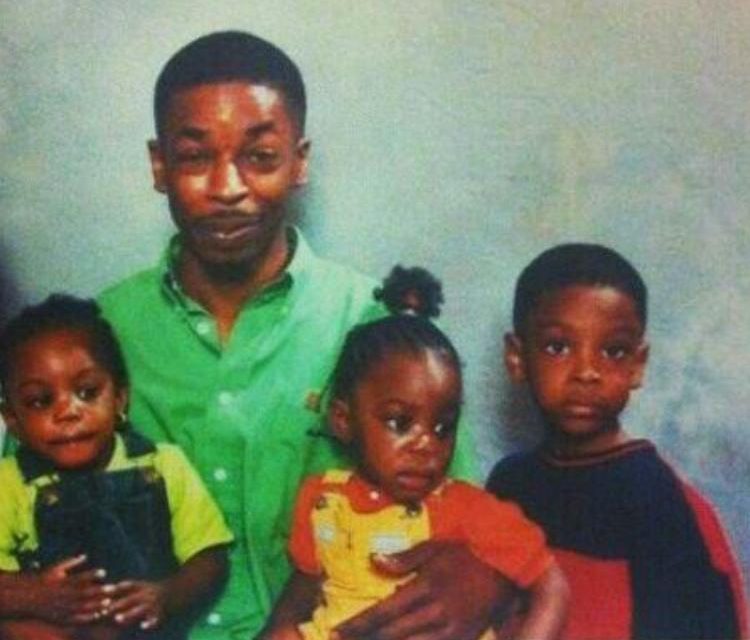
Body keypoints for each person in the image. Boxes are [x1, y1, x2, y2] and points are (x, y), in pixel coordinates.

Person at [97, 31, 504, 639]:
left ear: (300, 160)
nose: (227, 187)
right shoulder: (96, 337)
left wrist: (485, 575)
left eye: (260, 157)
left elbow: (463, 525)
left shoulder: (377, 326)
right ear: (159, 166)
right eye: (195, 156)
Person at [259, 266, 569, 640]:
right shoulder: (321, 499)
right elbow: (310, 581)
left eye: (443, 427)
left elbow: (551, 585)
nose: (426, 444)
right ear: (343, 420)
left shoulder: (465, 509)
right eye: (399, 422)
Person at [486, 243, 748, 640]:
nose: (587, 372)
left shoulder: (664, 507)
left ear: (637, 366)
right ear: (517, 358)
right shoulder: (509, 484)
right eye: (558, 347)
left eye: (613, 350)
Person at [0, 295, 232, 640]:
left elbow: (210, 558)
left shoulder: (162, 463)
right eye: (40, 401)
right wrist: (35, 594)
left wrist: (166, 596)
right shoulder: (9, 483)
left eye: (87, 392)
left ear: (120, 398)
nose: (68, 412)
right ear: (13, 420)